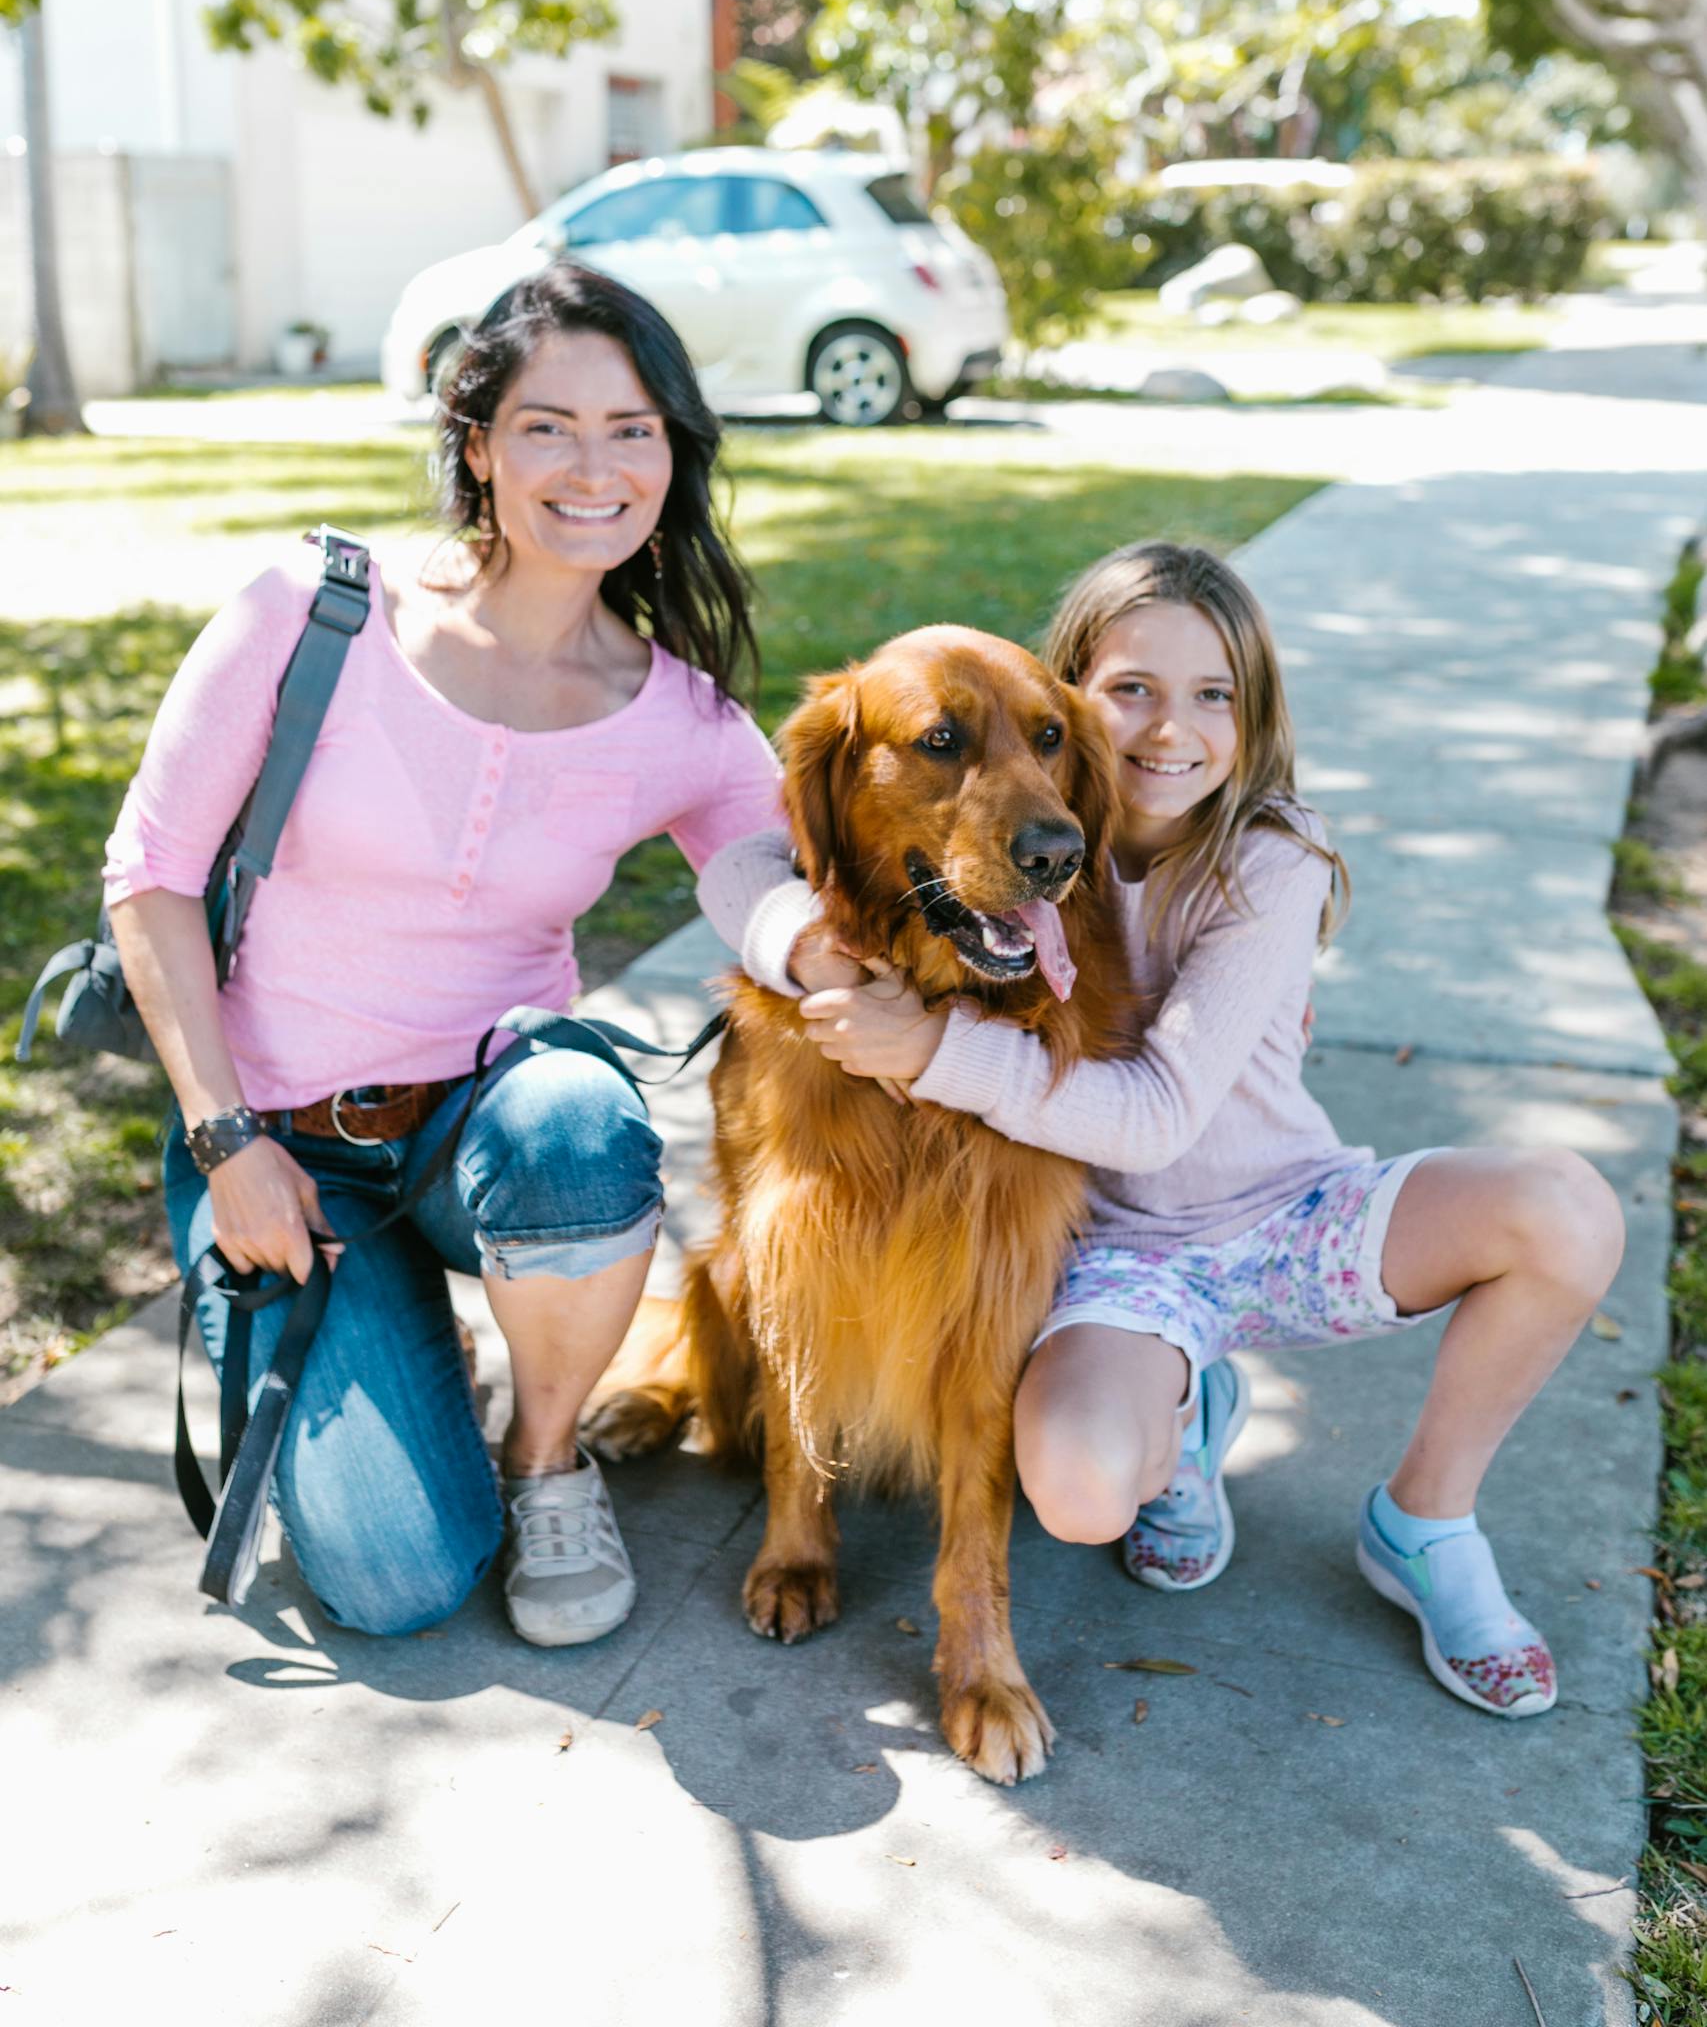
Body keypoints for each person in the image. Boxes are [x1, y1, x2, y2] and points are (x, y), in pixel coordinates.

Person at [698, 541, 1625, 1718]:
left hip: (1287, 1213)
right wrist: (808, 941)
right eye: (1130, 690)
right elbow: (741, 865)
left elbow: (1156, 1114)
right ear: (1087, 694)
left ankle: (1425, 1518)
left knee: (1564, 1210)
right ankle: (1180, 1408)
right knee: (1083, 1495)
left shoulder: (1264, 860)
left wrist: (932, 1050)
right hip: (1124, 1271)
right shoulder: (1033, 867)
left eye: (1212, 697)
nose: (1167, 731)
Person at [109, 262, 784, 1646]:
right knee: (400, 1585)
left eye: (633, 428)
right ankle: (419, 1334)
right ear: (475, 443)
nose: (591, 465)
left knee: (580, 1118)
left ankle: (545, 1451)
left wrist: (858, 971)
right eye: (547, 424)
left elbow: (770, 886)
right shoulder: (312, 607)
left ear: (675, 455)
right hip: (276, 1153)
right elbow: (150, 878)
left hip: (491, 1132)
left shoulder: (676, 716)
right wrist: (227, 1139)